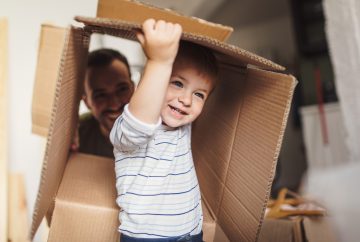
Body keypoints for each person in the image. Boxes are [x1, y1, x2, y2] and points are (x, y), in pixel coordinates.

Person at [110, 19, 218, 241]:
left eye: (199, 94)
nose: (186, 99)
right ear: (144, 85)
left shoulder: (182, 123)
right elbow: (139, 125)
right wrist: (159, 62)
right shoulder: (130, 126)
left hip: (192, 232)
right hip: (147, 237)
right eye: (177, 83)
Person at [76, 48, 134, 158]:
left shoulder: (158, 128)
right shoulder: (77, 134)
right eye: (100, 95)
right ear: (87, 102)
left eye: (122, 89)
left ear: (133, 88)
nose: (114, 104)